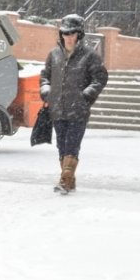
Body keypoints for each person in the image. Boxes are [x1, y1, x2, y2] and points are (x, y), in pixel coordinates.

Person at [40, 14, 108, 195]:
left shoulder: (90, 56)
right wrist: (46, 92)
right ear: (61, 34)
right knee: (62, 146)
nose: (69, 37)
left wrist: (86, 96)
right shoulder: (54, 55)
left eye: (72, 33)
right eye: (65, 33)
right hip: (57, 109)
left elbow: (100, 78)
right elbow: (45, 76)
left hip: (78, 110)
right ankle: (69, 180)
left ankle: (64, 180)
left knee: (72, 144)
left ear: (79, 35)